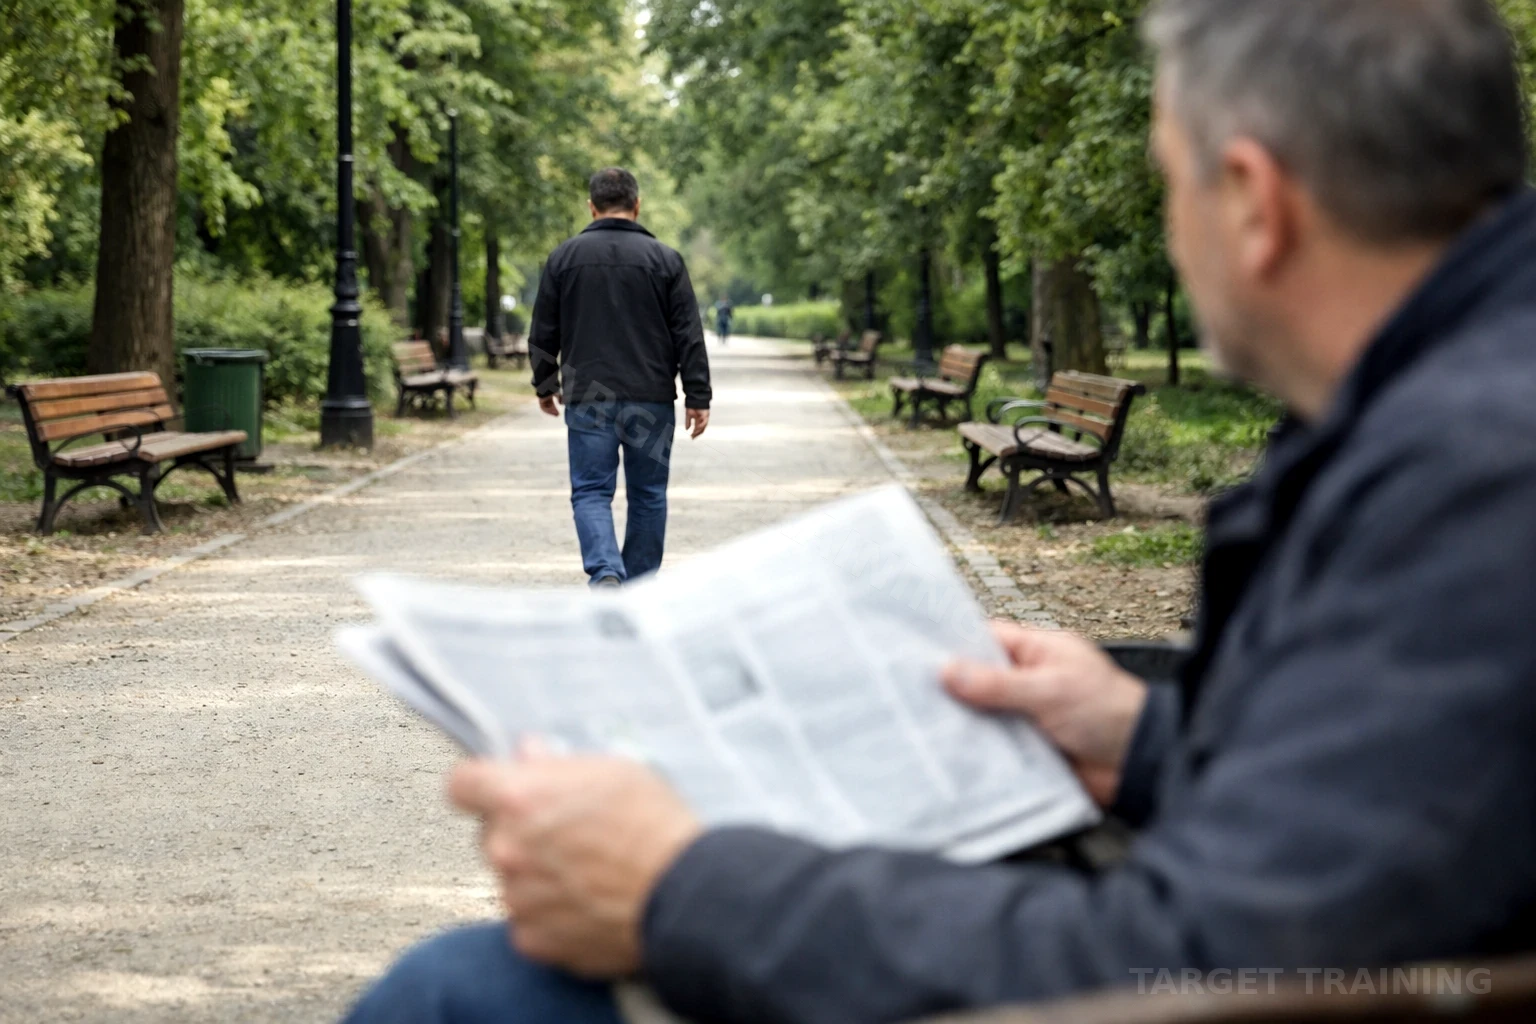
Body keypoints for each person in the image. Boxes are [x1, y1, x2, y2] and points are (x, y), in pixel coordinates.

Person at [343, 2, 1536, 1021]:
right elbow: (1393, 813)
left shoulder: (1471, 476)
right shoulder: (1451, 410)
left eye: (1171, 182)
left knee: (463, 991)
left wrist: (677, 883)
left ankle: (612, 587)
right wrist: (1146, 732)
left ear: (1255, 204)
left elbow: (1216, 961)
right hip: (649, 399)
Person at [527, 168, 711, 587]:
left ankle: (606, 570)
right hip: (651, 398)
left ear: (592, 207)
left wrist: (545, 384)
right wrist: (698, 394)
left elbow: (542, 331)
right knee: (648, 495)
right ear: (637, 204)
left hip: (588, 397)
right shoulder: (665, 260)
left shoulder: (564, 258)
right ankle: (639, 587)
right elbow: (689, 334)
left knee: (591, 491)